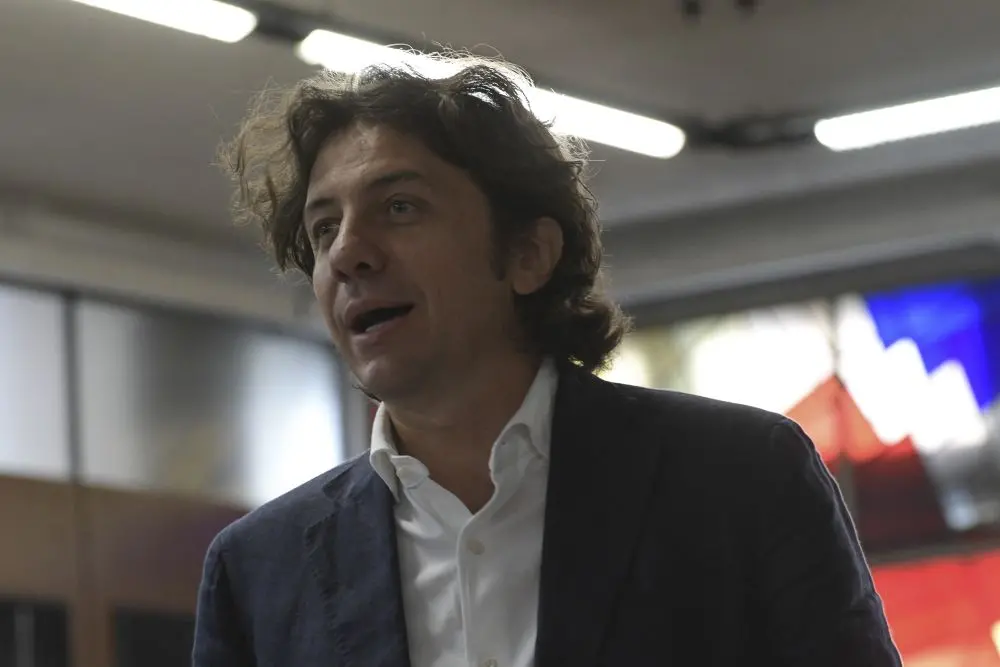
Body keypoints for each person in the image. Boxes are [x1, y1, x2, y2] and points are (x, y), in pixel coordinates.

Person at [193, 55, 901, 667]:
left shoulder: (741, 478)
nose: (349, 251)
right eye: (324, 229)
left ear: (529, 254)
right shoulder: (257, 570)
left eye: (400, 207)